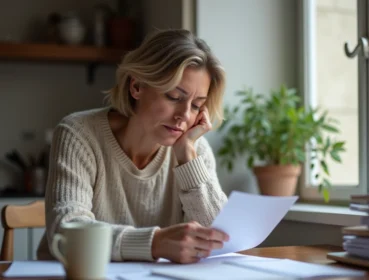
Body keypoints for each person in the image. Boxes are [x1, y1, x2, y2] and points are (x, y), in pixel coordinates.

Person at [36, 29, 229, 264]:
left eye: (197, 105)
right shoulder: (78, 133)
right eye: (174, 97)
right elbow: (68, 230)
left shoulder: (194, 149)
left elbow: (220, 239)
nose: (185, 116)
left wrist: (188, 156)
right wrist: (155, 243)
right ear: (136, 86)